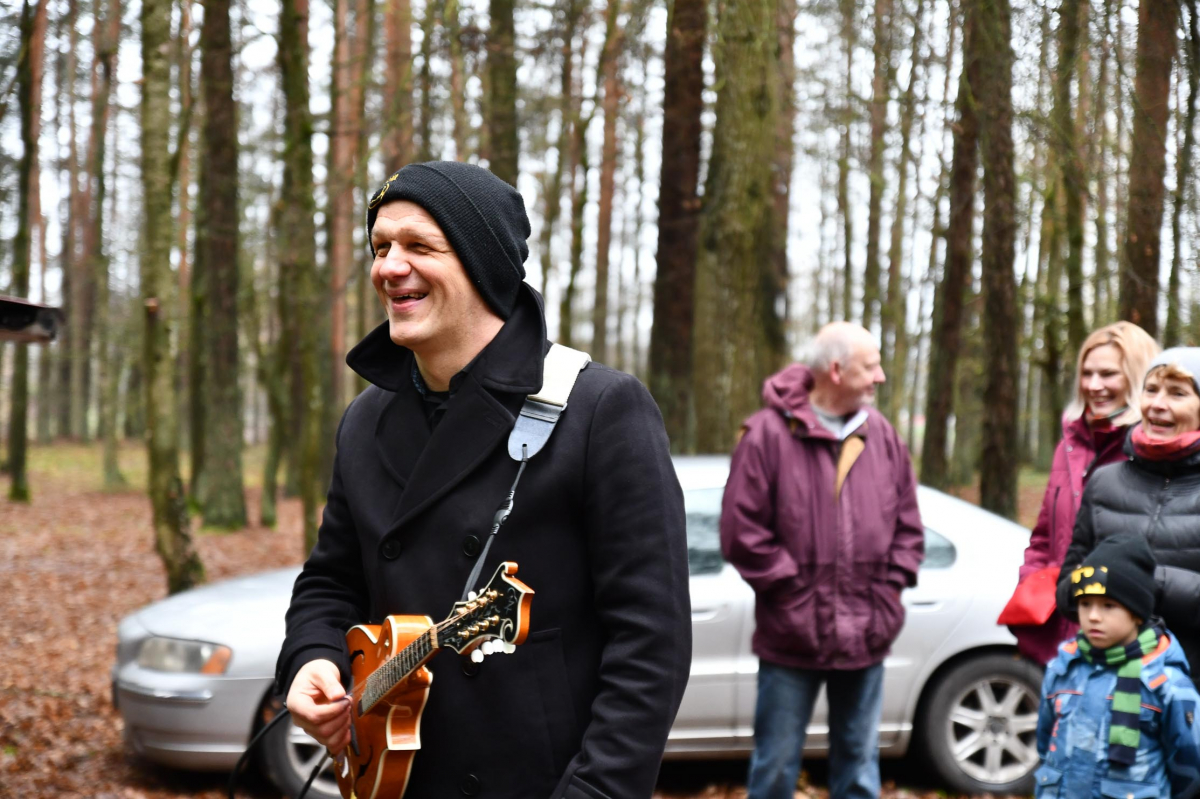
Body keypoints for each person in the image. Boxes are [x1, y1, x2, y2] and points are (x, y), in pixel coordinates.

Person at [275, 161, 692, 799]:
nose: (388, 266)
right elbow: (331, 581)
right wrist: (312, 659)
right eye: (381, 246)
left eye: (419, 246)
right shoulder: (365, 420)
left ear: (482, 264)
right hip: (396, 777)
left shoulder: (598, 409)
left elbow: (651, 644)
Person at [720, 322, 925, 799]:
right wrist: (795, 595)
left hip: (866, 636)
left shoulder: (884, 438)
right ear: (836, 370)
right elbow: (741, 533)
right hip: (790, 638)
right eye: (871, 366)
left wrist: (886, 595)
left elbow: (909, 529)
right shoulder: (766, 435)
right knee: (773, 769)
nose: (880, 377)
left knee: (858, 770)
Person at [1015, 322, 1159, 664]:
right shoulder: (1070, 444)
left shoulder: (1152, 451)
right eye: (1087, 373)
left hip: (1129, 642)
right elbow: (1045, 536)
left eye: (1108, 374)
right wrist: (1031, 586)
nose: (1094, 386)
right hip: (1066, 635)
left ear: (1137, 376)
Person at [1058, 347, 1200, 683]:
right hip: (1108, 687)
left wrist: (1146, 582)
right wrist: (1093, 586)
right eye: (1151, 390)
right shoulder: (1105, 482)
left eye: (1177, 394)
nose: (1157, 404)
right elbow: (1066, 593)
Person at [1037, 533, 1200, 799]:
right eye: (1085, 603)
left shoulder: (1165, 683)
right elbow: (1046, 745)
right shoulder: (1063, 669)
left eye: (1108, 606)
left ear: (1137, 613)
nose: (1093, 616)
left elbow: (1190, 765)